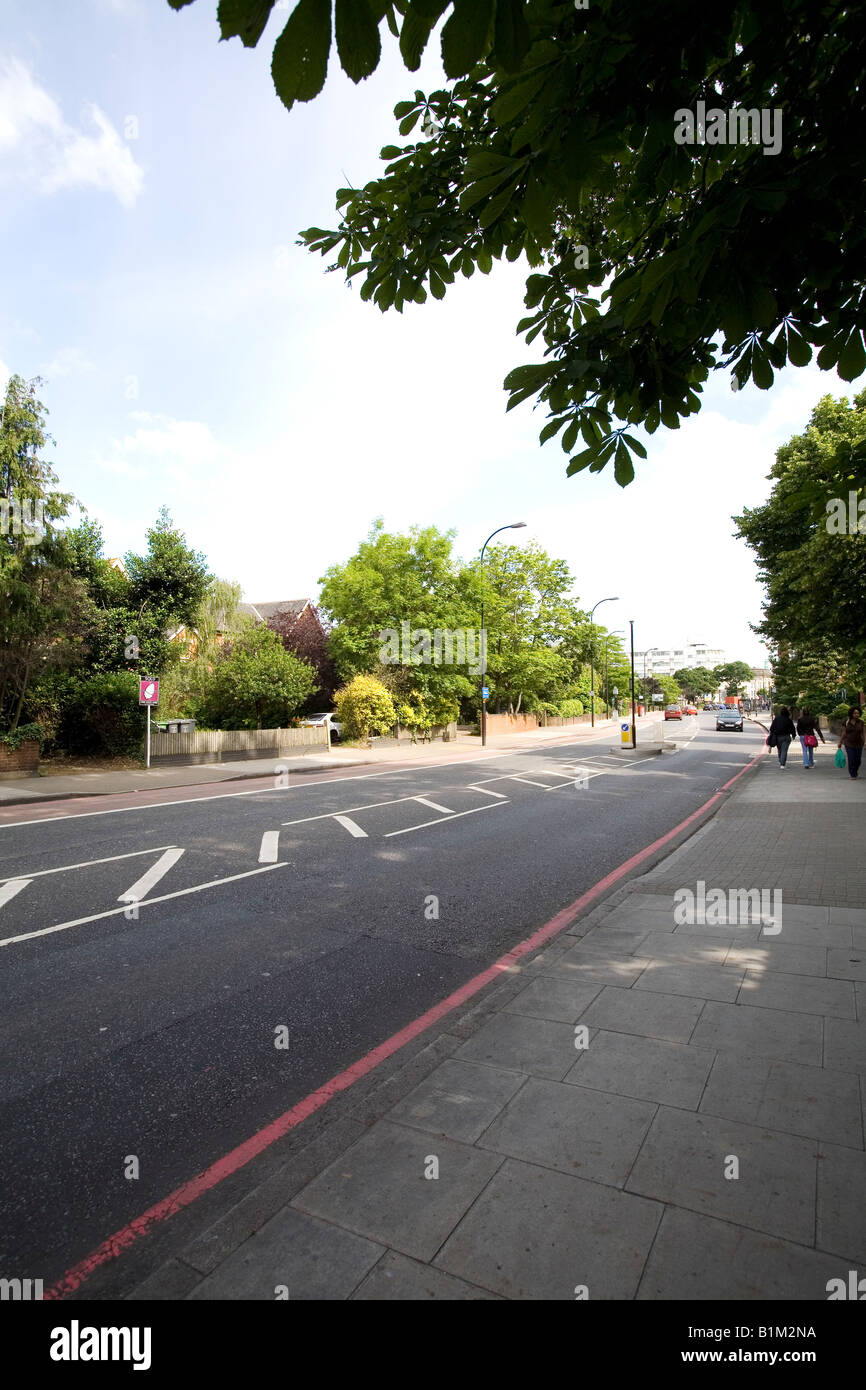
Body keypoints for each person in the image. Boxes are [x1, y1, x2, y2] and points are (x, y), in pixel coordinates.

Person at [838, 705, 865, 779]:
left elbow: (863, 733)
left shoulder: (861, 722)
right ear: (851, 714)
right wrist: (840, 742)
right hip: (848, 743)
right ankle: (852, 774)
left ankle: (855, 771)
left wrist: (865, 742)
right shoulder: (846, 722)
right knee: (851, 759)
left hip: (859, 743)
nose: (856, 715)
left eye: (858, 713)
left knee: (858, 760)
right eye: (855, 713)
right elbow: (844, 732)